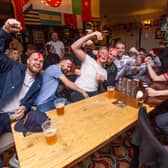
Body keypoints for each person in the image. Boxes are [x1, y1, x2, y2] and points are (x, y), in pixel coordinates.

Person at [0, 19, 44, 135]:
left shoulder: (38, 80)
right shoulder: (12, 66)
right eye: (35, 59)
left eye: (41, 61)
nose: (38, 62)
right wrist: (5, 31)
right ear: (28, 61)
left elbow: (30, 101)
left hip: (16, 118)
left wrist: (24, 107)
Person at [70, 31, 108, 102]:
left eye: (106, 54)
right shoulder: (88, 59)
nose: (104, 55)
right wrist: (92, 35)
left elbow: (105, 89)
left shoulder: (105, 71)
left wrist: (103, 80)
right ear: (97, 55)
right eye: (102, 53)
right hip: (79, 90)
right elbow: (74, 47)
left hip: (94, 93)